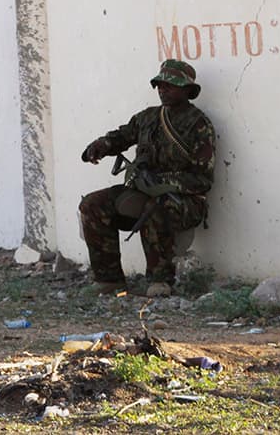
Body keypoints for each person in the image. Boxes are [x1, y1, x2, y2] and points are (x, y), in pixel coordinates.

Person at [79, 59, 215, 297]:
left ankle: (160, 280)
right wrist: (101, 145)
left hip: (184, 201)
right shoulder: (148, 117)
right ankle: (108, 279)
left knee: (156, 207)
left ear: (187, 90)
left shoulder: (199, 125)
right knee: (93, 204)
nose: (163, 90)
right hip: (142, 191)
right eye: (160, 85)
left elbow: (202, 179)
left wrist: (163, 182)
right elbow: (123, 136)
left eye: (170, 86)